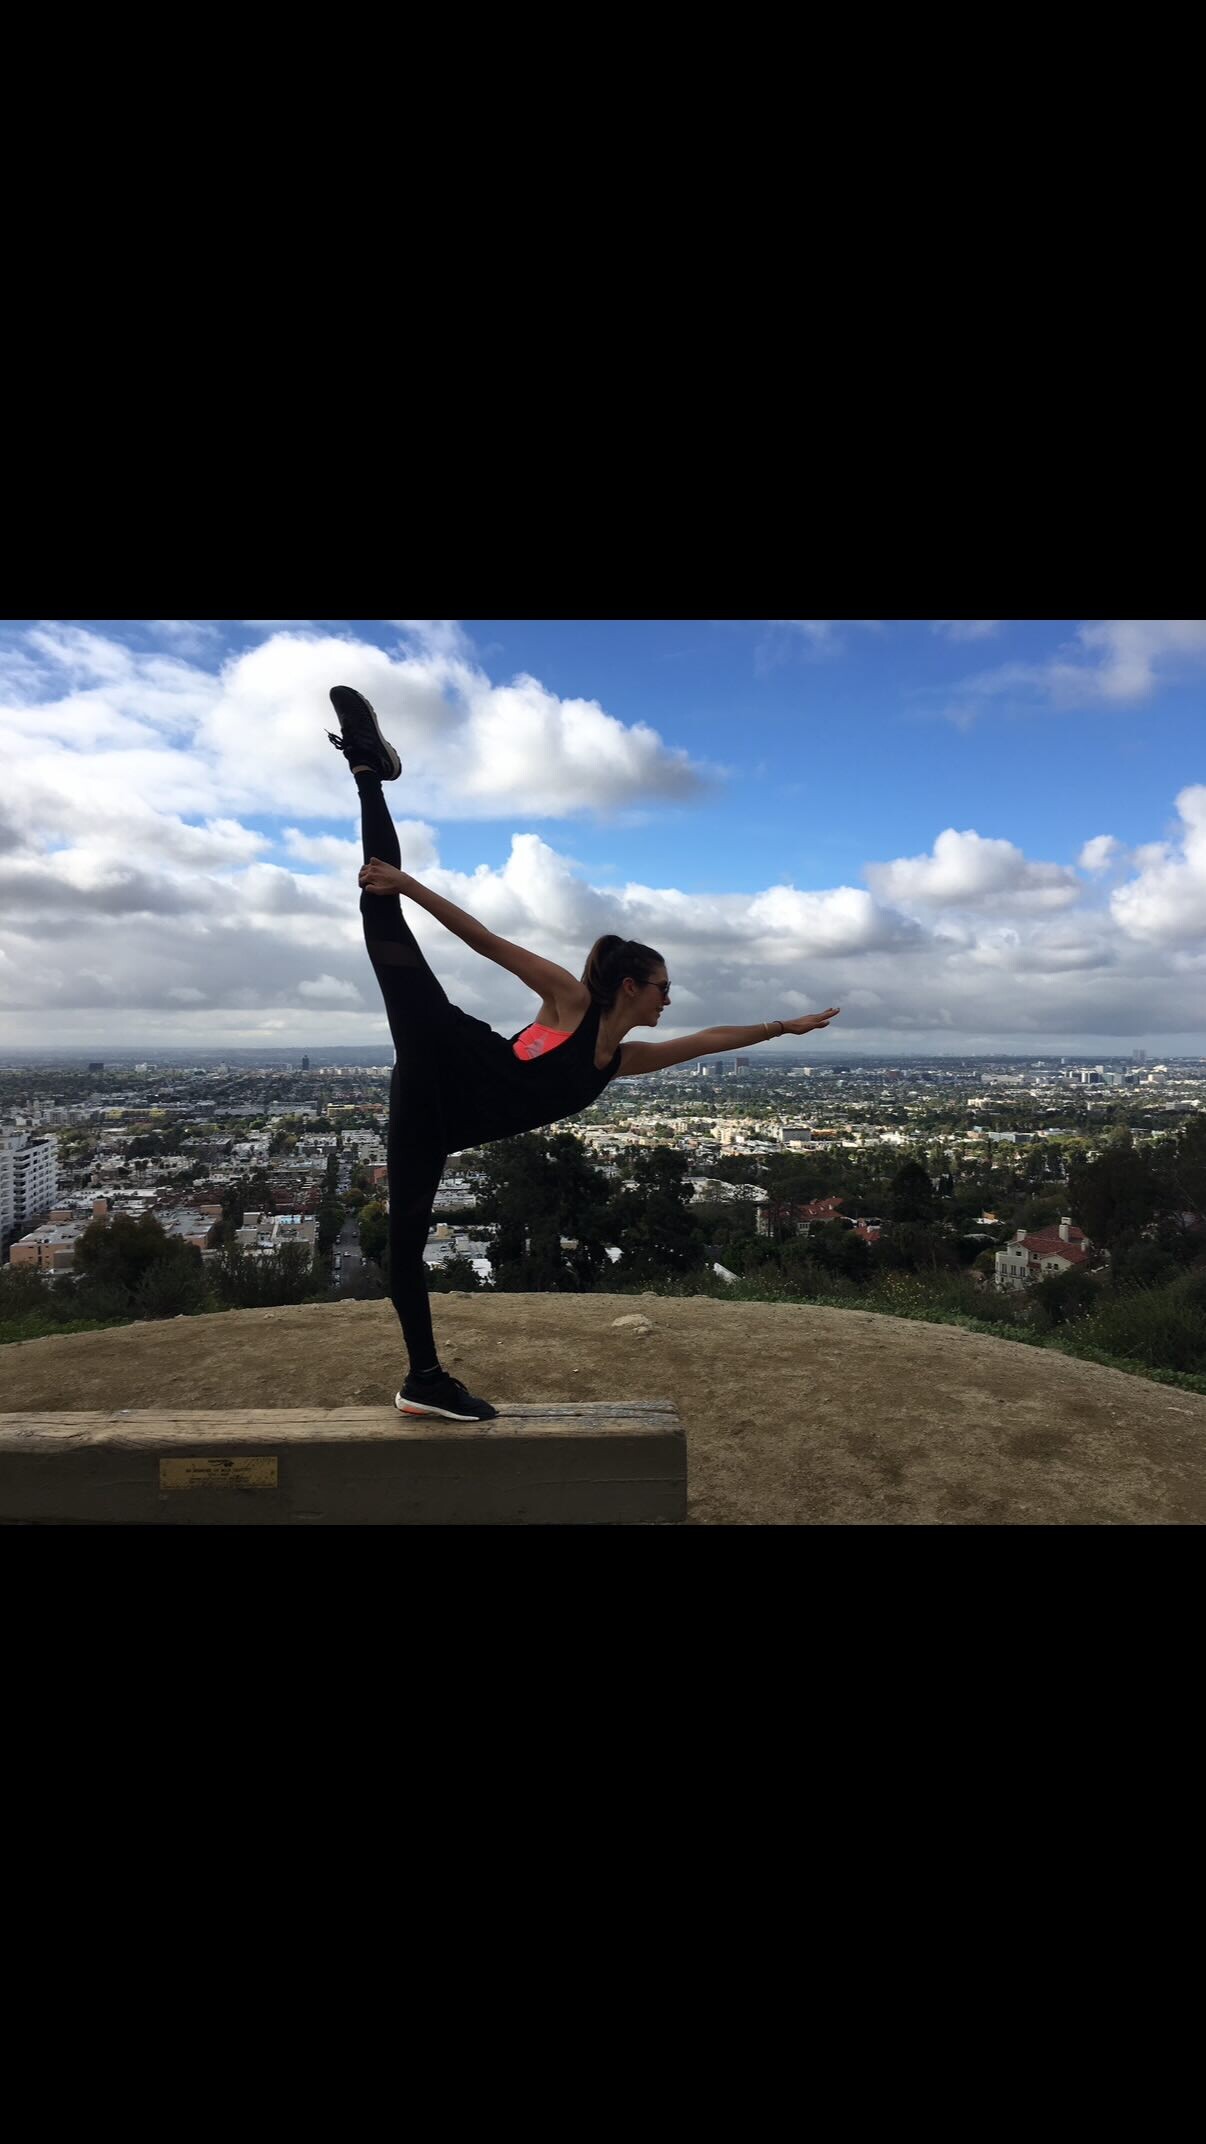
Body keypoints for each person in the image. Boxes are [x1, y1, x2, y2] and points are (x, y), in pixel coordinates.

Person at [328, 685, 840, 1422]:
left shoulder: (619, 1061)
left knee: (404, 1246)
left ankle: (424, 1382)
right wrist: (409, 885)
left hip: (433, 1118)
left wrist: (782, 1028)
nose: (669, 1001)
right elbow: (487, 941)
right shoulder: (569, 1000)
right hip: (447, 1053)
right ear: (631, 985)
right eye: (663, 988)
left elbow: (704, 1043)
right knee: (379, 904)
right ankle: (368, 771)